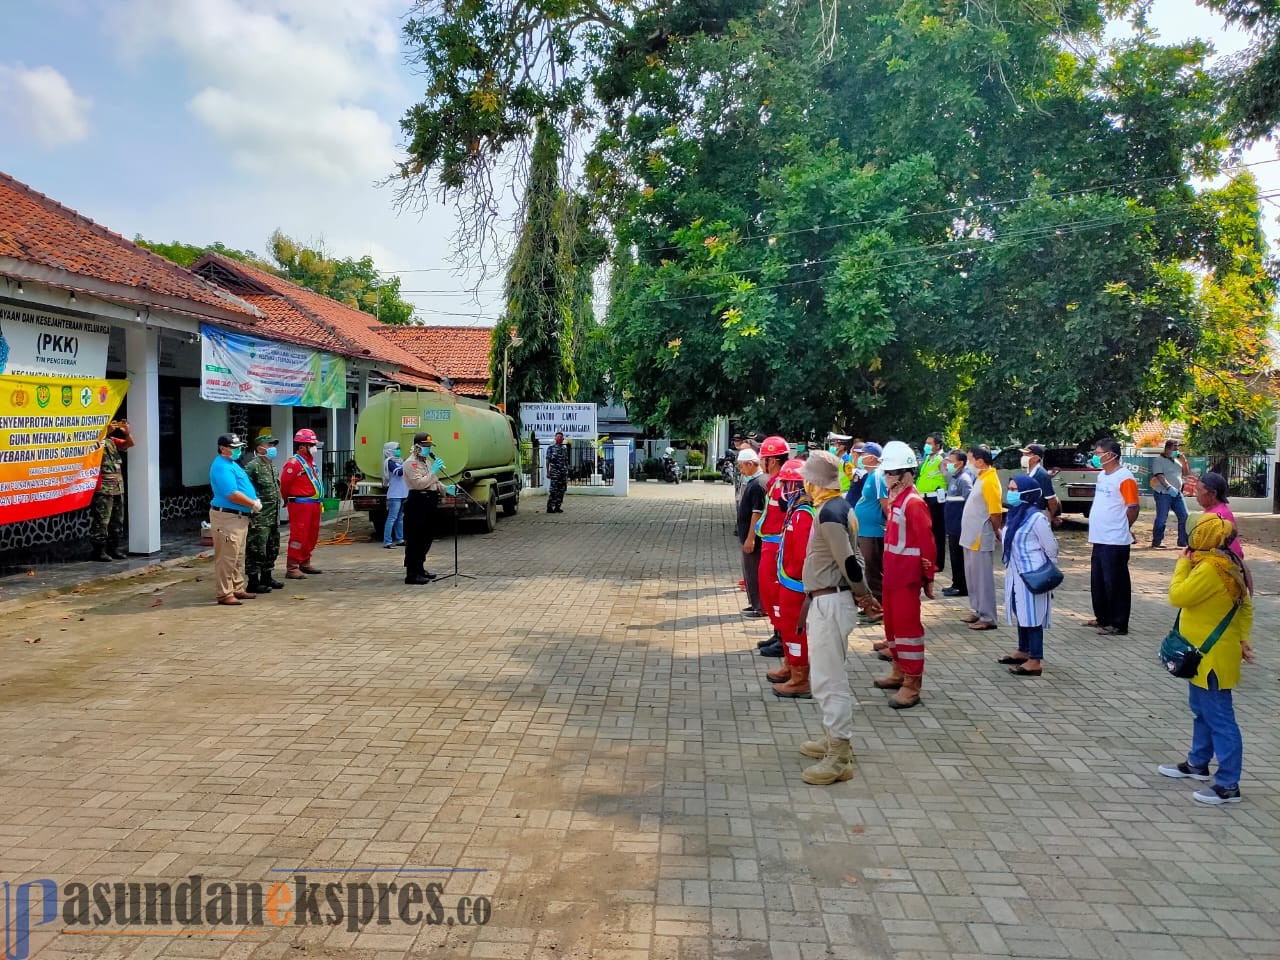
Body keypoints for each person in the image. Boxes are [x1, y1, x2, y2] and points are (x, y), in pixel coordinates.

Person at [1157, 515, 1254, 805]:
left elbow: (1177, 595)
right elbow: (1246, 609)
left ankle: (1228, 784)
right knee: (1202, 711)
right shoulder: (1230, 563)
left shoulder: (1211, 569)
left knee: (1220, 718)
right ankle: (1198, 763)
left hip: (1210, 658)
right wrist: (1243, 638)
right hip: (1203, 655)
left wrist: (1181, 564)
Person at [795, 451, 875, 785]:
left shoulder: (829, 512)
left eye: (805, 477)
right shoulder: (837, 507)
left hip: (831, 602)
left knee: (830, 680)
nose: (801, 482)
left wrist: (866, 595)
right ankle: (833, 738)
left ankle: (839, 755)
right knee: (828, 676)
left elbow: (851, 563)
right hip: (829, 601)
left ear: (814, 482)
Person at [874, 441, 936, 709]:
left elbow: (928, 543)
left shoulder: (913, 502)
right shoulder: (897, 500)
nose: (886, 477)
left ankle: (912, 683)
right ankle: (898, 672)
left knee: (908, 629)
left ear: (905, 474)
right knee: (894, 627)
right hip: (892, 575)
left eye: (890, 473)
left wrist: (928, 576)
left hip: (907, 577)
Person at [998, 475, 1059, 677]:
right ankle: (1023, 650)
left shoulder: (1036, 518)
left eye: (1015, 489)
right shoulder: (1015, 514)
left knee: (1033, 616)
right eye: (1010, 488)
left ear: (1027, 493)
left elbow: (1051, 548)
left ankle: (1035, 660)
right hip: (1015, 574)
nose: (1011, 492)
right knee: (1020, 611)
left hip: (1033, 575)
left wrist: (1047, 575)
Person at [768, 458, 814, 698]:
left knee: (796, 630)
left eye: (787, 485)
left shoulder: (804, 514)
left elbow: (804, 554)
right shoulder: (796, 511)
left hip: (797, 585)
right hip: (788, 581)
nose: (783, 490)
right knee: (787, 628)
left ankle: (800, 678)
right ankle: (790, 665)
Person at [1086, 438, 1140, 636]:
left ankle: (1118, 623)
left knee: (1115, 582)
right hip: (1099, 537)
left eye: (1098, 453)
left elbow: (1133, 507)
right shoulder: (1102, 476)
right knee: (1098, 580)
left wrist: (1124, 527)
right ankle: (1103, 617)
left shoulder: (1125, 477)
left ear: (1110, 455)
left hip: (1115, 539)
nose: (1096, 457)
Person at [208, 433, 261, 606]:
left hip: (238, 517)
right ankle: (224, 593)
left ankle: (237, 588)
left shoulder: (231, 464)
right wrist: (252, 503)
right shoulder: (221, 466)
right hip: (228, 516)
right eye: (234, 448)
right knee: (227, 557)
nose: (238, 450)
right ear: (222, 448)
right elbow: (231, 494)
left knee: (237, 555)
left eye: (238, 447)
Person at [754, 435, 792, 654]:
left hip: (777, 545)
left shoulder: (785, 485)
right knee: (768, 591)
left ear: (773, 461)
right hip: (770, 542)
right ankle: (778, 631)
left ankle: (783, 637)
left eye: (764, 459)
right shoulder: (776, 483)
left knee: (775, 590)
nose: (761, 463)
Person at [960, 446, 1004, 630]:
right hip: (970, 536)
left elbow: (995, 512)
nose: (968, 464)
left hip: (980, 536)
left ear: (980, 461)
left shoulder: (990, 480)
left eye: (970, 460)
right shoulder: (981, 478)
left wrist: (997, 530)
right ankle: (977, 610)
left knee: (982, 578)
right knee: (972, 576)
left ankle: (988, 617)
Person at [1194, 472, 1254, 594]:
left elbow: (1229, 550)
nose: (1196, 495)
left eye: (1199, 491)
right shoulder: (1213, 511)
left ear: (1213, 494)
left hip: (1220, 573)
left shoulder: (1220, 515)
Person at [280, 428, 325, 579]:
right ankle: (292, 567)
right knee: (299, 535)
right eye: (311, 445)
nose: (314, 447)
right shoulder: (294, 463)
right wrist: (287, 499)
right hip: (300, 505)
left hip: (313, 504)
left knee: (311, 536)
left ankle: (304, 562)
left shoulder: (310, 463)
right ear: (301, 447)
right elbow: (285, 484)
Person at [242, 430, 282, 594]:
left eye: (273, 445)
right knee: (257, 549)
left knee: (272, 547)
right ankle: (253, 581)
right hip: (259, 518)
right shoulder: (253, 466)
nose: (272, 448)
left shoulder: (272, 466)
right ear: (259, 448)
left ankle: (267, 576)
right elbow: (243, 487)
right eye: (269, 445)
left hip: (273, 516)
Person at [403, 432, 446, 584]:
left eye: (429, 446)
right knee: (415, 538)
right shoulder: (410, 463)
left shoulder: (426, 463)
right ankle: (412, 573)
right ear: (417, 447)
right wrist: (434, 471)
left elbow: (435, 482)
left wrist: (445, 488)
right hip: (417, 502)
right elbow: (419, 484)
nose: (428, 449)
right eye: (425, 446)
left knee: (427, 537)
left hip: (429, 502)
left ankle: (420, 568)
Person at [90, 418, 135, 561]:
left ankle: (113, 548)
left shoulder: (111, 441)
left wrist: (127, 433)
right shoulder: (95, 441)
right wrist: (104, 433)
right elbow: (92, 449)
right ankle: (99, 551)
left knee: (117, 521)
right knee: (102, 522)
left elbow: (129, 444)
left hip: (118, 488)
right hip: (103, 489)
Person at [851, 442, 887, 615]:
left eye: (863, 454)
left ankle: (878, 606)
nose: (859, 457)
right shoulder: (870, 476)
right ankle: (871, 605)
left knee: (872, 570)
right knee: (867, 569)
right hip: (865, 531)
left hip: (873, 532)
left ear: (872, 456)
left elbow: (885, 504)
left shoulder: (878, 476)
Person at [735, 447, 766, 618]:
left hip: (753, 537)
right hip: (747, 535)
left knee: (754, 572)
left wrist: (750, 538)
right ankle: (754, 603)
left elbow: (757, 512)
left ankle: (760, 606)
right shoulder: (754, 482)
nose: (741, 470)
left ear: (750, 464)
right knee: (749, 571)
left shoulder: (758, 484)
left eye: (742, 467)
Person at [916, 434, 948, 577]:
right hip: (925, 498)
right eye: (926, 442)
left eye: (930, 443)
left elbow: (947, 477)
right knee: (928, 532)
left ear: (937, 445)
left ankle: (938, 563)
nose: (926, 445)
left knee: (937, 532)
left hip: (936, 500)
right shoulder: (929, 458)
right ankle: (929, 560)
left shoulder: (942, 460)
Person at [942, 449, 973, 597]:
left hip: (960, 525)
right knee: (954, 556)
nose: (947, 464)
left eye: (950, 461)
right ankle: (956, 583)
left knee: (959, 557)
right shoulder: (954, 477)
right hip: (952, 525)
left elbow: (970, 502)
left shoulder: (964, 479)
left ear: (960, 463)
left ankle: (962, 586)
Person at [1150, 439, 1190, 549]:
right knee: (1162, 518)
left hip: (1177, 494)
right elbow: (1159, 475)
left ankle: (1182, 541)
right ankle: (1157, 541)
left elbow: (1186, 473)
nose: (1177, 449)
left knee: (1184, 516)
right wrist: (1168, 487)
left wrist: (1184, 461)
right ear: (1168, 448)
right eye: (1175, 447)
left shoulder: (1177, 461)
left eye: (1177, 447)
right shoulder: (1159, 460)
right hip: (1163, 493)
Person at [1020, 443, 1061, 524]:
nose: (1023, 456)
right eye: (1023, 454)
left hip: (1039, 515)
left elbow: (1052, 499)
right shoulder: (1029, 472)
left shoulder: (1041, 475)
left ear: (1036, 458)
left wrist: (1051, 516)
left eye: (1027, 454)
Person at [382, 440, 408, 548]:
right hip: (394, 495)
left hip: (403, 494)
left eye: (399, 448)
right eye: (396, 449)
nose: (398, 451)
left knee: (400, 518)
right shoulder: (389, 462)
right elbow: (398, 472)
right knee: (392, 517)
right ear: (390, 451)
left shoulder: (400, 461)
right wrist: (408, 464)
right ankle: (387, 541)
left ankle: (400, 539)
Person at [546, 432, 569, 513]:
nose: (559, 439)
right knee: (553, 490)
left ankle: (557, 506)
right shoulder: (551, 448)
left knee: (561, 490)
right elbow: (548, 460)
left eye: (561, 437)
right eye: (558, 437)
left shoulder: (564, 449)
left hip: (563, 473)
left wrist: (567, 472)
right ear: (555, 438)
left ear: (563, 439)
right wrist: (548, 472)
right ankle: (550, 507)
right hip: (554, 472)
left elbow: (566, 461)